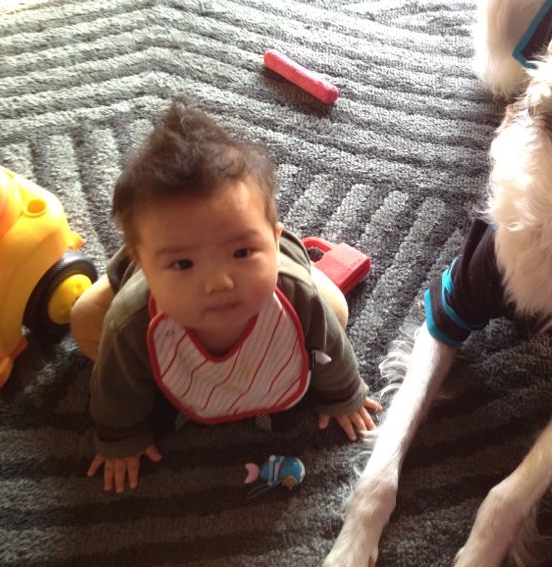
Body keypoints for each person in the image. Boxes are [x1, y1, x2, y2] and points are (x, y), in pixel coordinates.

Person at [71, 98, 381, 493]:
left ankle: (260, 254)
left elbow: (329, 347)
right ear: (145, 265)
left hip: (286, 275)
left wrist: (344, 394)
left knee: (332, 308)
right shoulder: (132, 320)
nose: (218, 282)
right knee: (86, 319)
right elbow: (117, 386)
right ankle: (128, 272)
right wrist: (121, 436)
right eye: (184, 264)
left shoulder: (295, 294)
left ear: (274, 239)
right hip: (133, 289)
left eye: (242, 252)